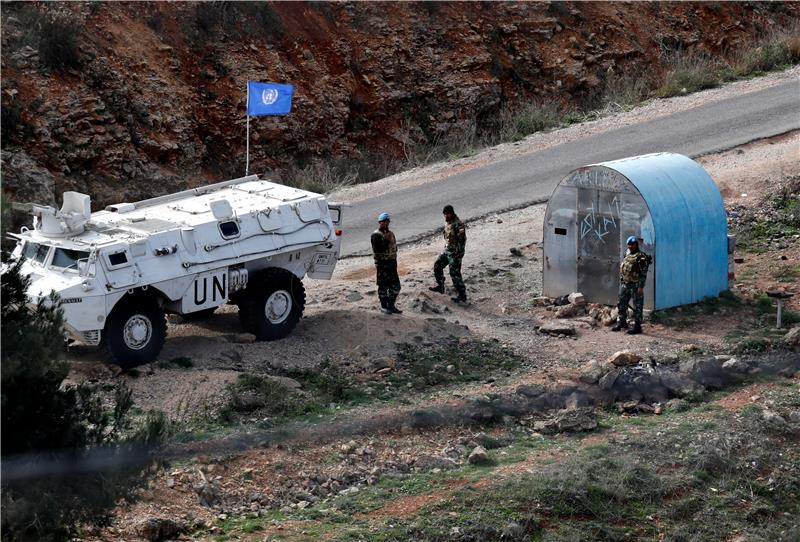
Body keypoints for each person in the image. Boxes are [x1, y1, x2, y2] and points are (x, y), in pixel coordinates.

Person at [612, 235, 652, 335]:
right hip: (625, 284)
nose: (630, 247)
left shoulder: (641, 257)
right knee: (621, 303)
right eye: (629, 245)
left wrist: (641, 287)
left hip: (635, 286)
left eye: (632, 245)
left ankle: (637, 326)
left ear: (636, 245)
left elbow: (643, 274)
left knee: (637, 306)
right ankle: (622, 322)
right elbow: (624, 269)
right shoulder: (627, 253)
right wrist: (622, 281)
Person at [429, 204, 467, 303]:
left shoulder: (458, 225)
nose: (445, 216)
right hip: (447, 251)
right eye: (444, 214)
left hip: (455, 253)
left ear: (452, 213)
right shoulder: (448, 223)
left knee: (455, 273)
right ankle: (440, 286)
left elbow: (462, 242)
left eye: (447, 214)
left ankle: (462, 295)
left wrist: (457, 254)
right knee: (437, 265)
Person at [371, 212, 402, 314]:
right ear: (379, 222)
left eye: (387, 221)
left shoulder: (391, 234)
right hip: (382, 264)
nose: (386, 223)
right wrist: (386, 241)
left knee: (396, 286)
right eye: (383, 222)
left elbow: (394, 249)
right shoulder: (376, 235)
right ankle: (384, 306)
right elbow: (378, 250)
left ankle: (391, 305)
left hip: (392, 264)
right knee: (383, 286)